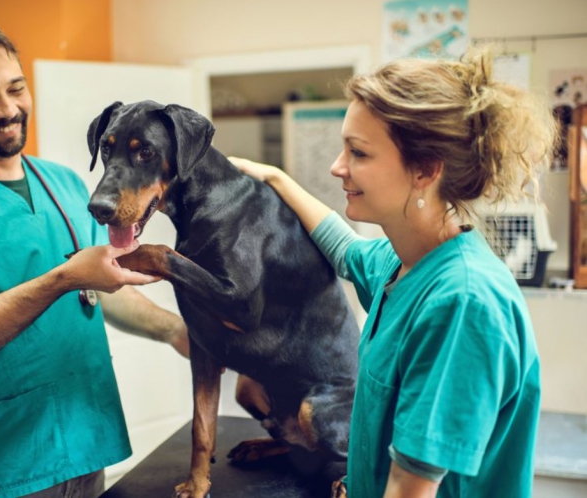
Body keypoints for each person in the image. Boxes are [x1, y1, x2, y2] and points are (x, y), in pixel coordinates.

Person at [231, 46, 557, 498]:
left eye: (358, 153)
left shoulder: (461, 304)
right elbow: (345, 250)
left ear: (425, 169)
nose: (337, 167)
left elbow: (410, 488)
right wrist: (275, 179)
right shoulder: (402, 262)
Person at [0, 19, 188, 498]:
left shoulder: (63, 182)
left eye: (16, 88)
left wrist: (177, 332)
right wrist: (62, 278)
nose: (8, 109)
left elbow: (102, 291)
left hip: (85, 446)